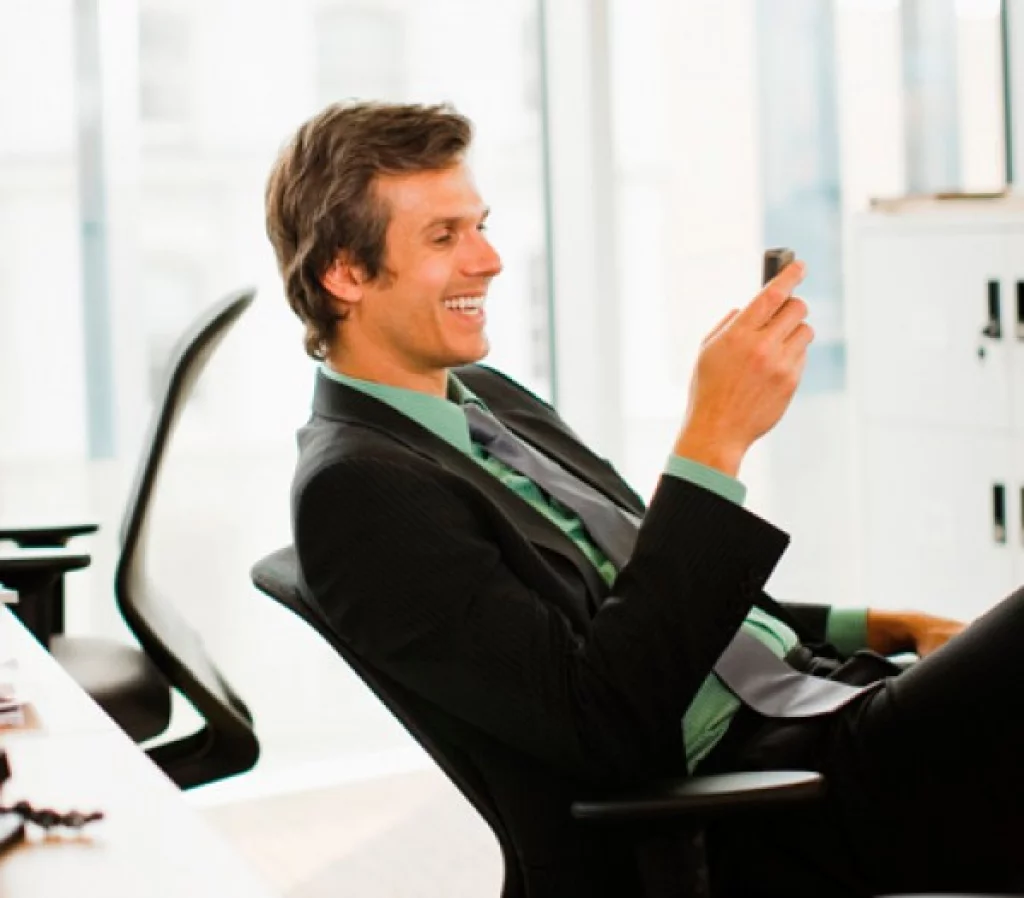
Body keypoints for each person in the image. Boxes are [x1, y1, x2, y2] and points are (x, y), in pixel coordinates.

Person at [264, 100, 1024, 897]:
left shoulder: (488, 397)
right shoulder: (356, 491)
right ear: (345, 274)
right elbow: (604, 727)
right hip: (774, 795)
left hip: (825, 697)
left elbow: (646, 595)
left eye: (480, 225)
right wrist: (714, 441)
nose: (489, 260)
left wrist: (872, 624)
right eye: (444, 237)